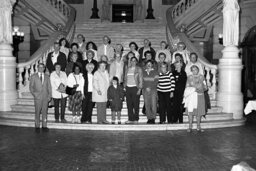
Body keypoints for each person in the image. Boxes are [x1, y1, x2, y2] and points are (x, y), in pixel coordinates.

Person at [29, 63, 52, 132]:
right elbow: (31, 87)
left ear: (44, 68)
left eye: (42, 67)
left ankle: (44, 126)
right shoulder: (33, 76)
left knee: (45, 112)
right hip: (37, 98)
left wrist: (49, 96)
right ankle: (37, 126)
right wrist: (35, 95)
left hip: (45, 97)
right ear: (37, 68)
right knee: (37, 112)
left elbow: (49, 87)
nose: (41, 68)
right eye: (40, 67)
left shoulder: (47, 76)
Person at [184, 65, 207, 132]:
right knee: (190, 112)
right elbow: (187, 87)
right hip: (192, 97)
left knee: (199, 113)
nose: (194, 71)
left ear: (198, 70)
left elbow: (205, 87)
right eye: (193, 70)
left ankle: (198, 126)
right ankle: (190, 127)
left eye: (195, 69)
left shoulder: (202, 77)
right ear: (191, 71)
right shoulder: (189, 77)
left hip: (200, 96)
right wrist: (193, 89)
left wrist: (201, 88)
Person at [123, 57, 143, 124]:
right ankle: (130, 119)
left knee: (136, 104)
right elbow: (125, 78)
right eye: (132, 61)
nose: (133, 62)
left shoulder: (139, 69)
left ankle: (136, 119)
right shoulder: (127, 69)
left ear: (136, 62)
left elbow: (140, 79)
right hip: (128, 88)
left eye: (134, 61)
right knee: (129, 105)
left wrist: (139, 89)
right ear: (130, 61)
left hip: (135, 88)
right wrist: (124, 86)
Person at [142, 60, 159, 124]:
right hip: (145, 90)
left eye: (150, 64)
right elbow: (141, 81)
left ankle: (153, 118)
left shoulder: (155, 72)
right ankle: (149, 118)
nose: (149, 65)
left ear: (152, 65)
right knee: (147, 105)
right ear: (146, 65)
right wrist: (145, 87)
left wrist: (150, 87)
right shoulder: (143, 72)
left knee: (154, 104)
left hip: (153, 90)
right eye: (147, 64)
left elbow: (156, 81)